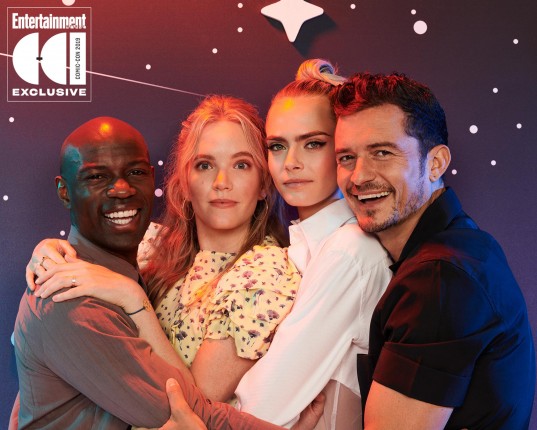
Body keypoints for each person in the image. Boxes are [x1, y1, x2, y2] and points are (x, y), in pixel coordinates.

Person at [12, 116, 316, 429]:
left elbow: (191, 411)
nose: (221, 181)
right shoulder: (152, 248)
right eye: (204, 165)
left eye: (241, 165)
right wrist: (50, 252)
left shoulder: (262, 273)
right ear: (183, 182)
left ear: (264, 183)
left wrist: (134, 298)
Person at [332, 72, 536, 429]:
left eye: (382, 153)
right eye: (347, 157)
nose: (359, 176)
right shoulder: (460, 246)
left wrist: (224, 419)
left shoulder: (438, 277)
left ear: (436, 163)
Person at [235, 59, 392, 429]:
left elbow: (262, 406)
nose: (291, 163)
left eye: (313, 144)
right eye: (277, 146)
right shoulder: (300, 249)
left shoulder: (350, 251)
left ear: (345, 149)